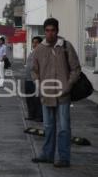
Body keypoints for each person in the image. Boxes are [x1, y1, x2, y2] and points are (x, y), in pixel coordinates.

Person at [31, 18, 81, 168]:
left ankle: (64, 158)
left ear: (57, 31)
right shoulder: (39, 49)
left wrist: (68, 85)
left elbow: (76, 68)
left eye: (53, 30)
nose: (50, 33)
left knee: (64, 128)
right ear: (44, 31)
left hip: (63, 95)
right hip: (46, 96)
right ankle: (47, 154)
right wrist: (38, 85)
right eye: (47, 30)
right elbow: (34, 70)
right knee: (48, 126)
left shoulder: (66, 46)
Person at [25, 36, 43, 122]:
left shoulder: (41, 54)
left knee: (37, 99)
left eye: (37, 42)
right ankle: (31, 115)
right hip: (28, 79)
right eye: (33, 42)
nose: (34, 44)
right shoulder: (31, 52)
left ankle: (39, 116)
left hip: (36, 80)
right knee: (29, 99)